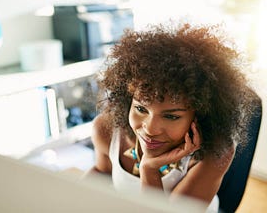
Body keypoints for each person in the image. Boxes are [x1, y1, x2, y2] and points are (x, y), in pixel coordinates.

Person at [87, 22, 260, 211]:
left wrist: (149, 168)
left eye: (171, 117)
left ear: (199, 115)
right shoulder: (106, 130)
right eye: (141, 109)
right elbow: (103, 171)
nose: (150, 129)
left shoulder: (216, 152)